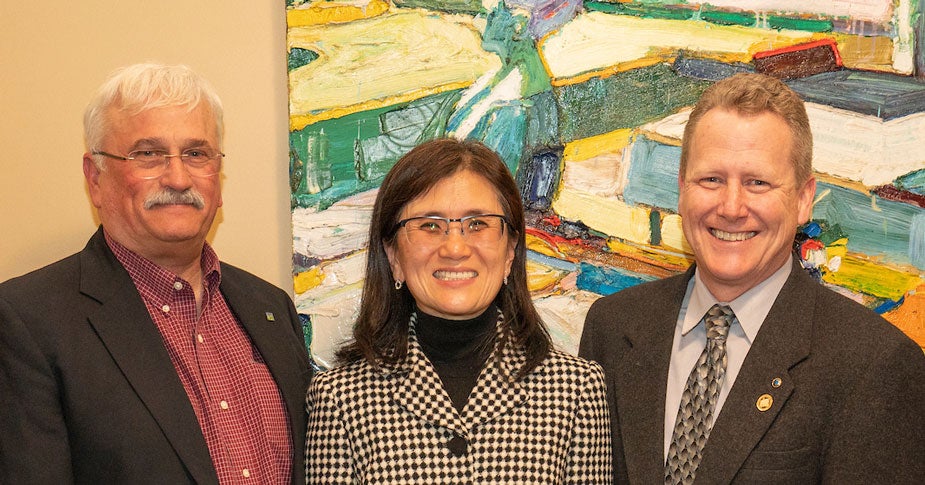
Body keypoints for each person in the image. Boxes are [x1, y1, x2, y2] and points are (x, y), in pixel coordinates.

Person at [580, 72, 925, 484]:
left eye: (757, 182)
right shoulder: (612, 328)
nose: (731, 206)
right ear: (681, 188)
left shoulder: (875, 364)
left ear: (802, 200)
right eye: (711, 179)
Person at [0, 63, 313, 484]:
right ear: (95, 179)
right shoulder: (27, 322)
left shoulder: (270, 307)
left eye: (197, 154)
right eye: (148, 154)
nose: (179, 177)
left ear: (218, 177)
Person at [304, 138, 613, 483]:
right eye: (430, 225)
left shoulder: (577, 390)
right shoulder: (340, 399)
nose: (454, 247)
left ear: (511, 251)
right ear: (393, 257)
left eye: (478, 224)